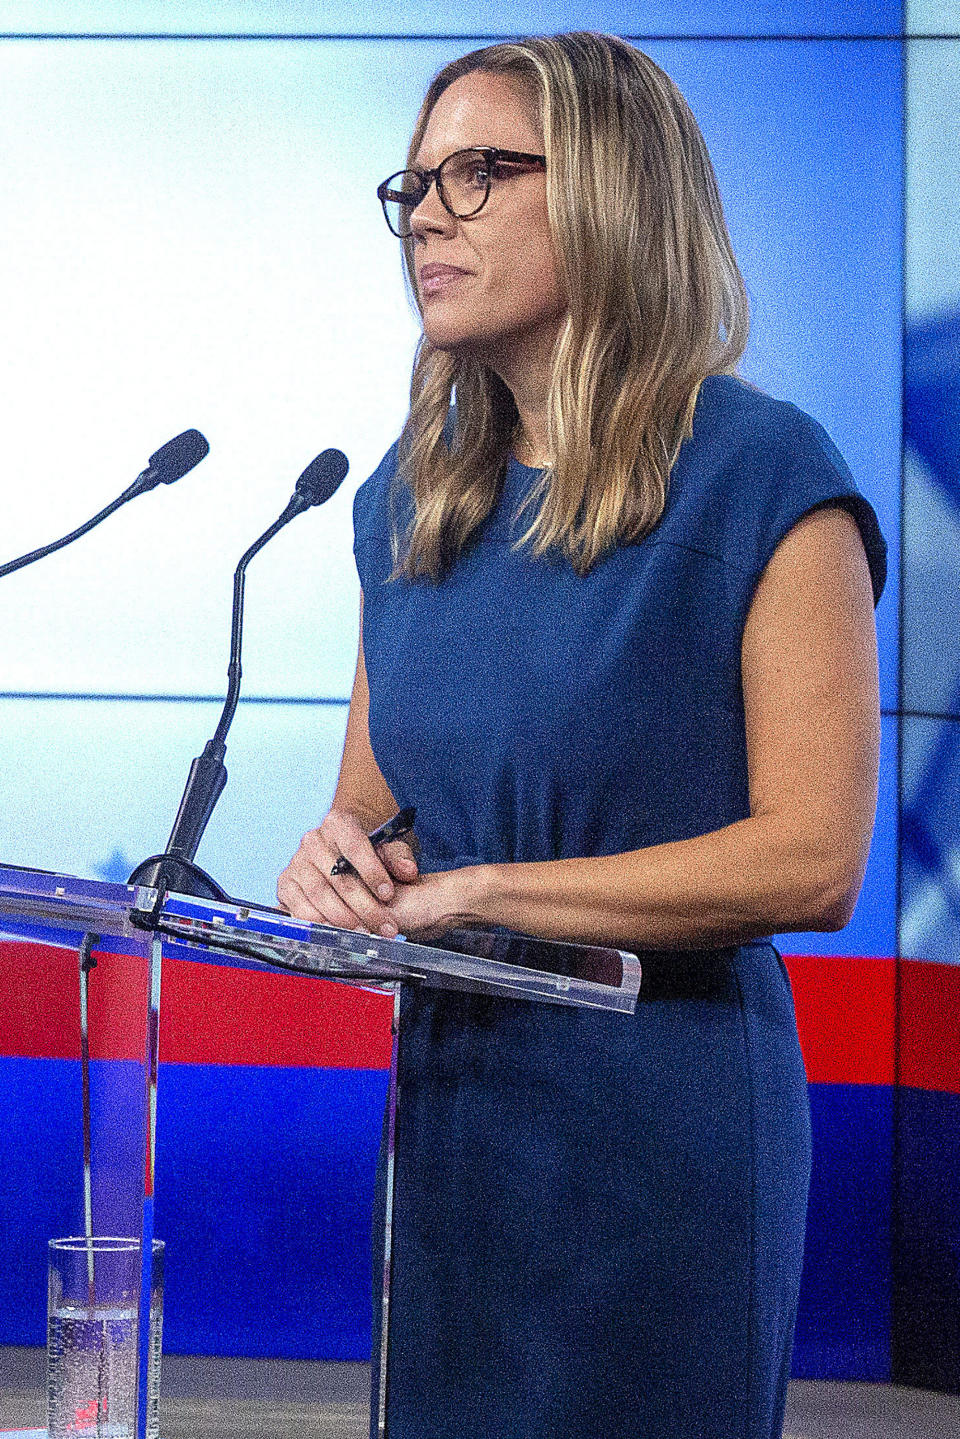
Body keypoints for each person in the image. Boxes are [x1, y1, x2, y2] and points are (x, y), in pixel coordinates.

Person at [278, 31, 886, 1439]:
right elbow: (381, 814)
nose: (427, 212)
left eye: (480, 172)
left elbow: (812, 861)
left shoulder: (761, 475)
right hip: (456, 1114)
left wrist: (486, 893)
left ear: (613, 194)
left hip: (663, 1132)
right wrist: (345, 866)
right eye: (415, 184)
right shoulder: (405, 501)